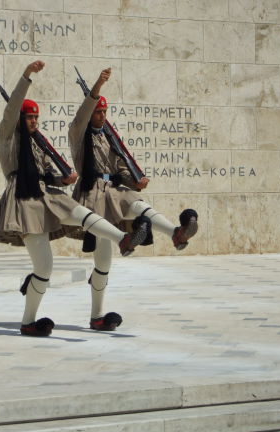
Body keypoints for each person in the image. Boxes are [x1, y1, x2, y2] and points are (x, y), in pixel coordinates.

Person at [0, 61, 148, 337]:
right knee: (44, 268)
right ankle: (28, 322)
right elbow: (12, 108)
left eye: (36, 118)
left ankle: (124, 240)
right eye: (29, 118)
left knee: (85, 215)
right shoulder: (8, 137)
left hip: (46, 195)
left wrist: (61, 179)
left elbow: (48, 173)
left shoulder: (37, 144)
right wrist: (26, 76)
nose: (33, 122)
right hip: (24, 200)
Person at [68, 67, 198, 332]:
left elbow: (120, 166)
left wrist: (134, 180)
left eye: (104, 112)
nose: (101, 116)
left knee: (139, 204)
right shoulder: (77, 134)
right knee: (103, 263)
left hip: (115, 190)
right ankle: (97, 316)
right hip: (92, 193)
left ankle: (175, 233)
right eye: (97, 112)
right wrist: (97, 86)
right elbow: (82, 115)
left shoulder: (108, 139)